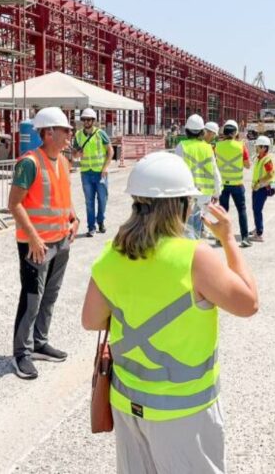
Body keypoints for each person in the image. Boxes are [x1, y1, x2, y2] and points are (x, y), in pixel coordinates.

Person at [81, 151, 259, 474]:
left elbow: (90, 320)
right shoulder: (195, 258)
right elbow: (249, 303)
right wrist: (230, 240)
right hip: (183, 410)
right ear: (181, 206)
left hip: (127, 404)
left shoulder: (113, 254)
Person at [8, 107, 80, 379]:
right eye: (65, 130)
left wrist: (74, 218)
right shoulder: (29, 163)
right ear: (48, 132)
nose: (70, 134)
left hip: (61, 241)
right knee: (31, 299)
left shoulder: (63, 161)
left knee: (50, 296)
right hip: (36, 245)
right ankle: (21, 354)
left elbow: (63, 196)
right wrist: (35, 239)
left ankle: (39, 343)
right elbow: (14, 204)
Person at [175, 114, 222, 239]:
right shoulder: (208, 148)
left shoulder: (182, 146)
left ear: (186, 130)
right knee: (196, 227)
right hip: (205, 194)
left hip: (188, 194)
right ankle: (196, 250)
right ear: (202, 131)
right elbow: (215, 171)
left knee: (187, 229)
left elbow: (176, 171)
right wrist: (217, 193)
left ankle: (192, 255)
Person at [73, 108, 113, 237]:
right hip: (86, 173)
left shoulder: (100, 134)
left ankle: (100, 221)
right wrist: (76, 154)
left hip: (100, 172)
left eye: (89, 120)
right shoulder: (78, 135)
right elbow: (74, 154)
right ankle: (91, 227)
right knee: (89, 202)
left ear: (93, 121)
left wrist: (105, 168)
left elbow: (110, 151)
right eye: (84, 119)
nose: (86, 122)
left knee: (102, 199)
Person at [215, 120, 252, 248]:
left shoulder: (217, 146)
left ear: (223, 133)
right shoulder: (241, 146)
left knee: (223, 212)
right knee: (241, 210)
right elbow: (248, 165)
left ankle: (220, 239)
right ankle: (245, 238)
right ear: (236, 132)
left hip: (223, 185)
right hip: (237, 184)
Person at [250, 136, 275, 242]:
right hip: (257, 188)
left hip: (262, 188)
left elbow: (270, 174)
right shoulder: (260, 158)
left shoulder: (266, 160)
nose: (256, 148)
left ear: (264, 148)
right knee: (255, 209)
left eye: (258, 147)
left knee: (257, 210)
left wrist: (259, 182)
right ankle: (257, 228)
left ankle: (259, 234)